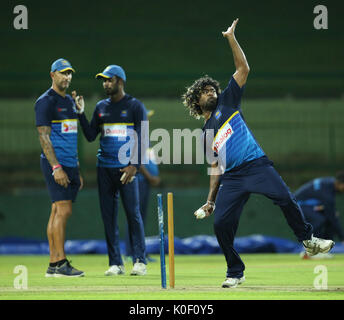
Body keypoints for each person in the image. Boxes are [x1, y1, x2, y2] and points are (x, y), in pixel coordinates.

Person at [182, 19, 335, 288]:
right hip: (233, 178)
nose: (211, 92)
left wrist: (231, 37)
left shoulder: (228, 101)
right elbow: (215, 169)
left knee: (286, 198)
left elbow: (244, 68)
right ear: (196, 101)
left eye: (212, 88)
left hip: (257, 165)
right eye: (205, 92)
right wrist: (210, 201)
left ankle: (308, 241)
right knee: (221, 226)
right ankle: (234, 271)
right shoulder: (205, 134)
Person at [73, 65, 148, 276]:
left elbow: (143, 138)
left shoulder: (134, 106)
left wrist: (134, 165)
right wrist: (80, 113)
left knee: (133, 215)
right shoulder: (100, 107)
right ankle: (116, 263)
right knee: (108, 217)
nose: (105, 83)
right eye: (103, 80)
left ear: (120, 81)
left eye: (109, 80)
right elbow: (89, 135)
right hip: (104, 168)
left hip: (126, 169)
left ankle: (139, 261)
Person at [35, 58, 84, 277]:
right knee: (64, 210)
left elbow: (71, 136)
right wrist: (56, 167)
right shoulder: (46, 101)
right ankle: (61, 263)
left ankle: (54, 264)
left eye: (69, 73)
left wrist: (76, 168)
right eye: (62, 73)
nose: (67, 77)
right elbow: (43, 137)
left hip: (70, 164)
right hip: (57, 164)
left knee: (57, 211)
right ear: (52, 74)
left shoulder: (69, 102)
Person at [124, 110, 161, 262]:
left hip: (145, 182)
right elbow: (135, 160)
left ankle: (139, 251)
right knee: (135, 216)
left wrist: (154, 175)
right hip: (137, 181)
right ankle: (131, 253)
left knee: (140, 217)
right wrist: (150, 176)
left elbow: (148, 159)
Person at [295, 172, 344, 258]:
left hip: (308, 206)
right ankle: (311, 250)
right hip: (298, 205)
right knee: (320, 220)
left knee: (328, 219)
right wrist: (342, 237)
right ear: (339, 183)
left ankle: (323, 250)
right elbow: (332, 217)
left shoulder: (329, 182)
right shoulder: (327, 192)